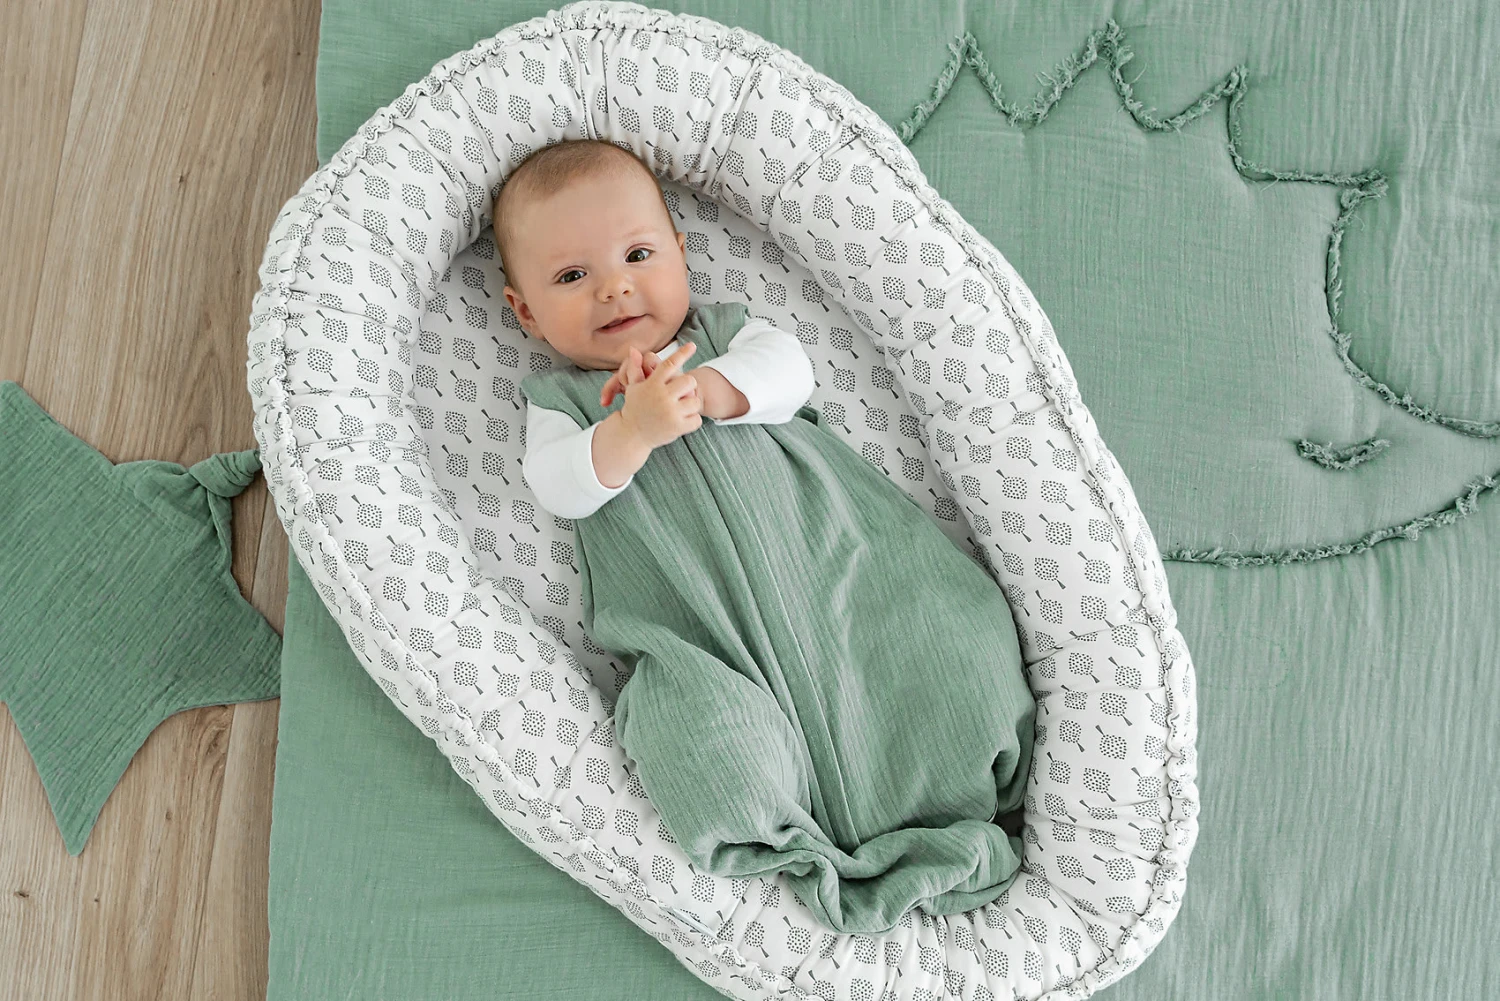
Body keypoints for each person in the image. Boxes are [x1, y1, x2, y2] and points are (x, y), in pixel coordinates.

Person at [499, 138, 1035, 935]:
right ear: (525, 312)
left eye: (638, 255)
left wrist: (706, 389)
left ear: (681, 252)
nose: (614, 286)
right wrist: (631, 432)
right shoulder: (561, 410)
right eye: (572, 276)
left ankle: (972, 771)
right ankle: (792, 843)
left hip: (850, 581)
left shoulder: (724, 337)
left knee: (951, 634)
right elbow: (558, 484)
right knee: (694, 736)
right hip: (706, 648)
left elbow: (790, 373)